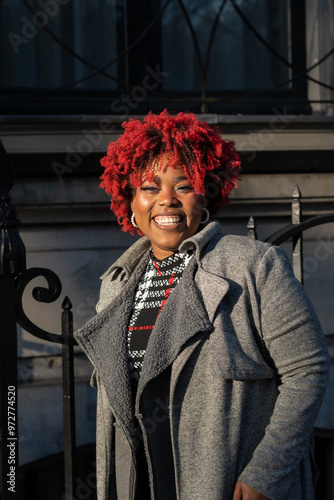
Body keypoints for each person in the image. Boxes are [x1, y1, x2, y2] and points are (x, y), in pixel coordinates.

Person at [75, 110, 329, 500]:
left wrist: (266, 473)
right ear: (130, 200)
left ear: (206, 193)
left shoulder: (252, 265)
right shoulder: (116, 283)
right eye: (150, 187)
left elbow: (307, 371)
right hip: (141, 482)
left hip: (226, 483)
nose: (166, 200)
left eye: (183, 185)